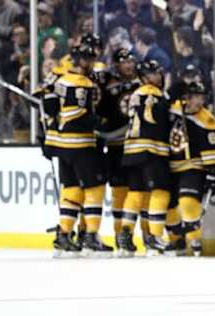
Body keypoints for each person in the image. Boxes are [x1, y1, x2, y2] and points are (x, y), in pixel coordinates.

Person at [43, 41, 113, 257]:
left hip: (62, 144)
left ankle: (64, 233)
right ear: (80, 61)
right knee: (94, 188)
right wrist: (100, 123)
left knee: (72, 188)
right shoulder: (82, 83)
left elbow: (49, 106)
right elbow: (78, 113)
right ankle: (91, 234)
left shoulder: (60, 79)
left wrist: (48, 135)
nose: (91, 63)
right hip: (80, 144)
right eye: (88, 59)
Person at [117, 59, 174, 257]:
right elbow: (154, 118)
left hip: (132, 150)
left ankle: (125, 235)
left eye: (158, 72)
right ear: (144, 77)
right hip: (151, 149)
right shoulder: (153, 93)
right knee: (161, 192)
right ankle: (155, 238)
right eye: (153, 73)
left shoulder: (135, 93)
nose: (157, 76)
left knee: (136, 193)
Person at [168, 81, 215, 256]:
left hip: (193, 166)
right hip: (170, 166)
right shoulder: (174, 109)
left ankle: (194, 240)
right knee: (168, 206)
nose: (199, 101)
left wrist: (213, 174)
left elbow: (213, 148)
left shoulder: (206, 119)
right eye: (195, 97)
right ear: (186, 98)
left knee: (188, 201)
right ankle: (176, 240)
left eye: (202, 97)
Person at [95, 48, 142, 249]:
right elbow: (101, 112)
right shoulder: (108, 85)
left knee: (139, 191)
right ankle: (119, 235)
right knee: (119, 192)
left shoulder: (143, 83)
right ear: (116, 65)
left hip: (138, 146)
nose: (129, 65)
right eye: (124, 62)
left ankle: (134, 234)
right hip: (116, 146)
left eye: (131, 61)